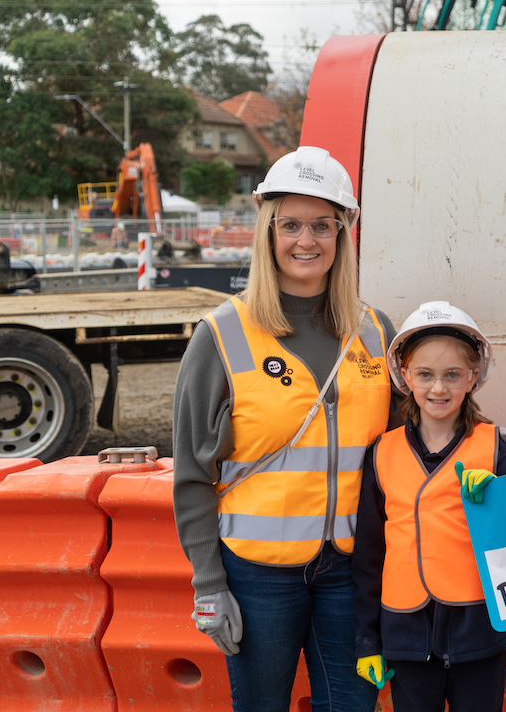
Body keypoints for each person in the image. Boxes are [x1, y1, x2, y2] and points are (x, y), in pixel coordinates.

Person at [173, 146, 403, 712]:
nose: (307, 240)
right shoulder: (222, 335)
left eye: (323, 225)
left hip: (352, 572)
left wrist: (482, 446)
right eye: (291, 224)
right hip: (255, 576)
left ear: (342, 232)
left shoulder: (376, 332)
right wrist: (208, 584)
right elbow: (191, 474)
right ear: (267, 232)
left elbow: (405, 451)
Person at [351, 301, 506, 712]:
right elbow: (368, 558)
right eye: (426, 375)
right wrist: (368, 643)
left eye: (453, 375)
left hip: (478, 632)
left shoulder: (500, 451)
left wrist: (501, 502)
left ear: (473, 377)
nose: (438, 388)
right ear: (405, 376)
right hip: (405, 635)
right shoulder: (380, 454)